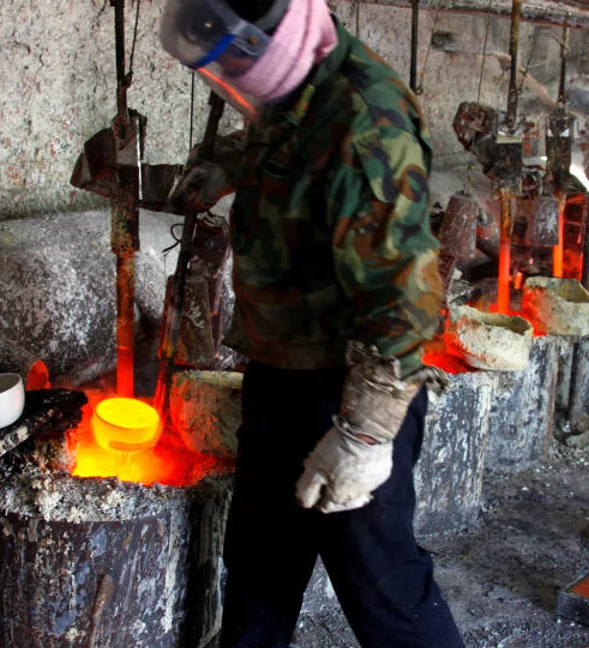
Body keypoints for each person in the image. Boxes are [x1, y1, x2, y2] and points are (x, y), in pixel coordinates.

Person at [158, 1, 465, 646]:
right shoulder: (297, 78)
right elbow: (287, 143)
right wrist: (230, 163)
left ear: (266, 40)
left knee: (383, 590)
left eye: (233, 59)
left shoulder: (368, 121)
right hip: (278, 372)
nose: (230, 75)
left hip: (350, 387)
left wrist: (364, 435)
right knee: (258, 573)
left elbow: (405, 298)